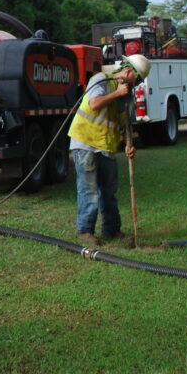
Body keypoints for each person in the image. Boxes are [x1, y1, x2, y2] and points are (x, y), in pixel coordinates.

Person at [68, 53, 151, 246]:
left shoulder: (126, 97)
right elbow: (94, 104)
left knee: (109, 191)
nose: (136, 84)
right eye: (136, 79)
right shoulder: (101, 80)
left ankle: (111, 230)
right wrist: (117, 93)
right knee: (89, 191)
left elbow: (125, 125)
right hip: (85, 142)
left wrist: (129, 145)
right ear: (128, 70)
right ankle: (85, 231)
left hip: (106, 146)